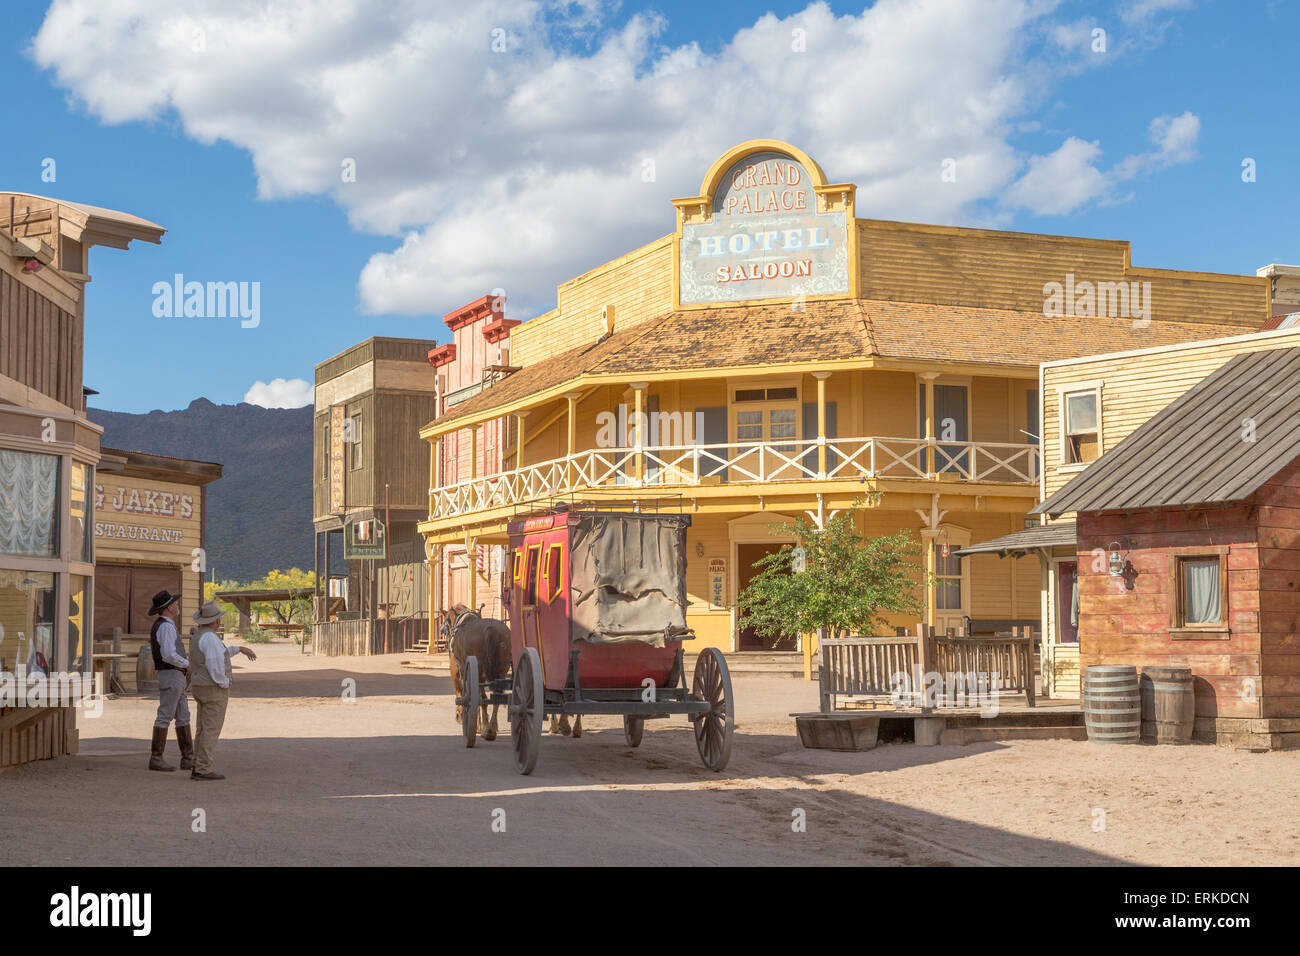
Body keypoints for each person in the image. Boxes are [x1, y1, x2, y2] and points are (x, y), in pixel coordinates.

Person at [187, 601, 256, 781]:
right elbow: (215, 663)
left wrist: (238, 649)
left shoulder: (199, 636)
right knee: (211, 729)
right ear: (216, 621)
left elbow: (220, 653)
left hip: (199, 685)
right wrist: (224, 682)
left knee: (202, 728)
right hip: (212, 688)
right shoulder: (210, 638)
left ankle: (197, 764)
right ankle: (203, 768)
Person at [146, 590, 194, 772]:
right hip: (172, 673)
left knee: (182, 714)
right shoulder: (166, 627)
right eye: (175, 603)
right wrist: (186, 664)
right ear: (170, 608)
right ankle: (156, 758)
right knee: (166, 714)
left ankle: (187, 757)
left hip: (173, 674)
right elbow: (168, 654)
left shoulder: (165, 625)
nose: (177, 606)